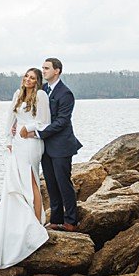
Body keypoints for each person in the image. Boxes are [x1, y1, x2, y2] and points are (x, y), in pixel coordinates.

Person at [0, 68, 51, 268]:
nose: (28, 79)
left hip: (31, 143)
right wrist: (9, 139)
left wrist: (28, 129)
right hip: (17, 143)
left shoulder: (41, 95)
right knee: (15, 180)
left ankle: (37, 221)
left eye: (32, 77)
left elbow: (44, 121)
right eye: (26, 76)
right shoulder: (18, 94)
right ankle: (19, 218)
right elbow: (10, 119)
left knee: (31, 179)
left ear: (38, 81)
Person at [37, 56, 83, 231]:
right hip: (45, 146)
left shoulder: (65, 93)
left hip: (62, 145)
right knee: (51, 183)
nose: (44, 71)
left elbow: (62, 121)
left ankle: (71, 221)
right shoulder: (42, 90)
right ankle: (55, 220)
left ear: (57, 70)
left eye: (47, 68)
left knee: (64, 183)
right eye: (43, 68)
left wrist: (40, 133)